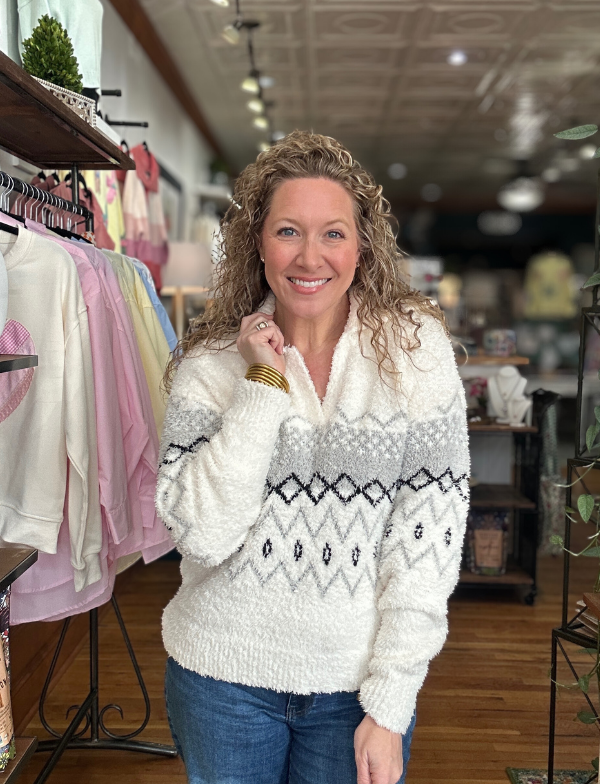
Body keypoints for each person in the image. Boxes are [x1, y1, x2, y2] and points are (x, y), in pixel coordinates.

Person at [157, 130, 470, 784]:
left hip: (353, 690)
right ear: (258, 244)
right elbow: (203, 537)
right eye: (288, 231)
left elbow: (428, 541)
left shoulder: (415, 354)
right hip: (221, 683)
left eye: (333, 233)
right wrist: (262, 383)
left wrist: (390, 700)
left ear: (362, 246)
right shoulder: (209, 369)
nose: (310, 256)